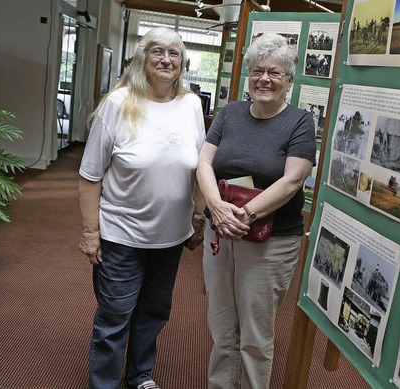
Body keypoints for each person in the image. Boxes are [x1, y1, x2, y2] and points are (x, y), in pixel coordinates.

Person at [78, 27, 206, 389]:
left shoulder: (192, 105)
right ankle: (103, 383)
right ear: (142, 58)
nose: (167, 60)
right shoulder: (118, 104)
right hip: (122, 235)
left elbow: (200, 169)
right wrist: (91, 233)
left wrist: (196, 218)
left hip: (170, 238)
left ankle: (139, 376)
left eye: (175, 53)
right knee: (115, 316)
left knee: (153, 313)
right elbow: (90, 176)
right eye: (158, 52)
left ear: (183, 62)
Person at [196, 33, 316, 389]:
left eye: (275, 73)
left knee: (255, 334)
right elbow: (203, 163)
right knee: (221, 327)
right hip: (219, 232)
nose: (265, 79)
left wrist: (243, 215)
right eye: (258, 71)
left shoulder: (299, 122)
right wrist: (216, 209)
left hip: (269, 243)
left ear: (289, 81)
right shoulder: (230, 112)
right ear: (249, 75)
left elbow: (293, 180)